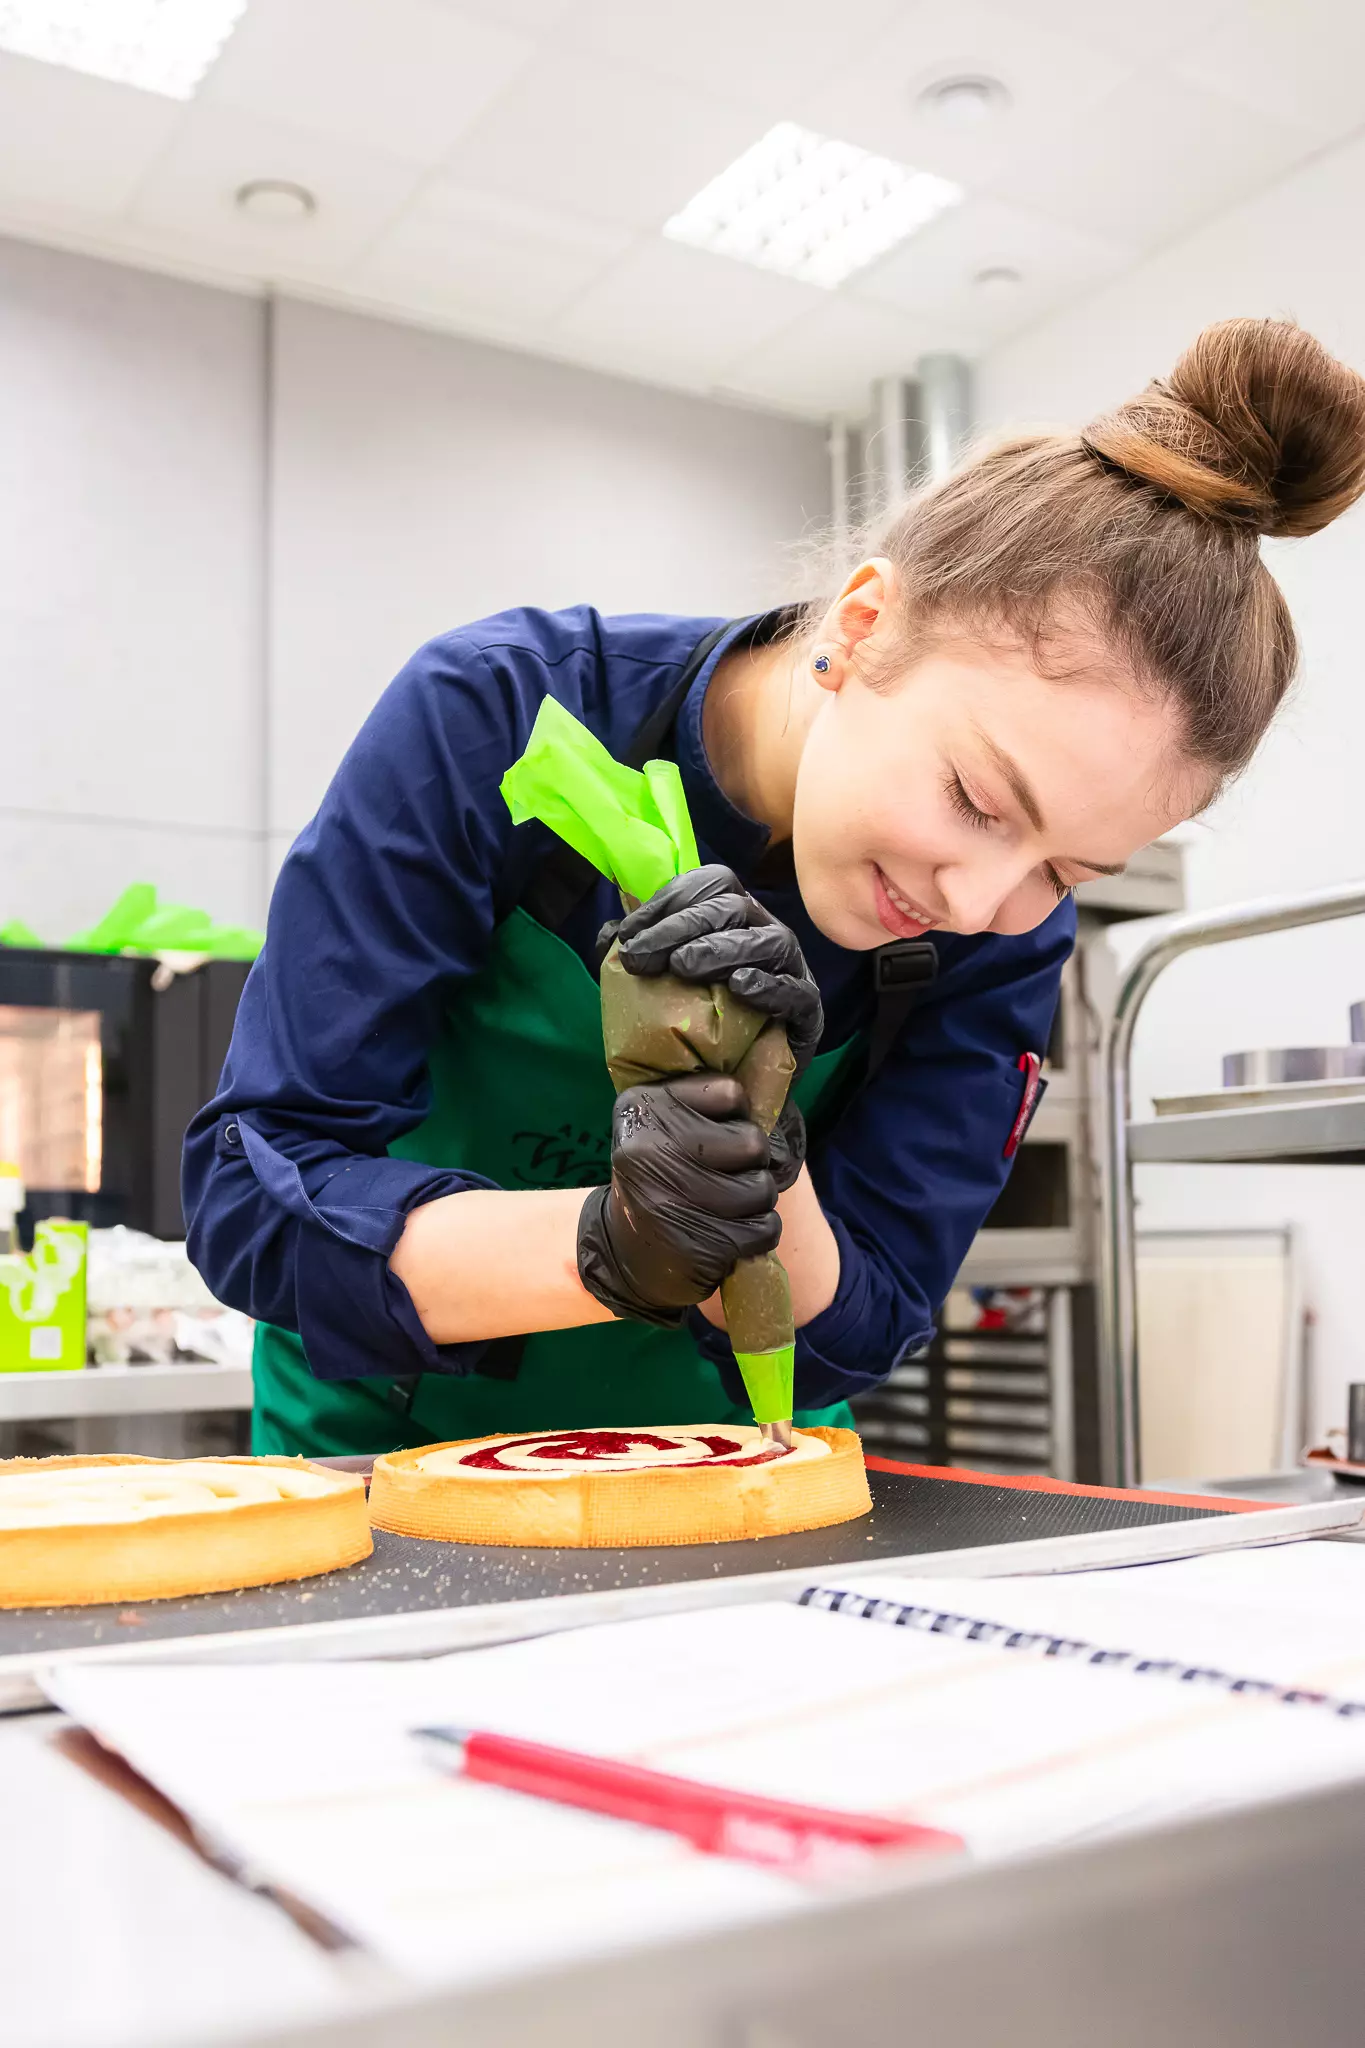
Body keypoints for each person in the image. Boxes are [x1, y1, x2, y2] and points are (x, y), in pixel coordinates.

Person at [183, 318, 1365, 1459]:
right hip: (387, 1459)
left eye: (1065, 868)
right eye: (976, 797)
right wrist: (612, 1242)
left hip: (741, 1468)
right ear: (862, 623)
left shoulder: (1005, 928)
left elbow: (877, 1309)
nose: (978, 901)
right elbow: (253, 1192)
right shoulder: (497, 713)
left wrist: (763, 1153)